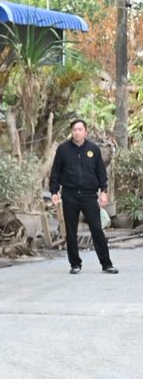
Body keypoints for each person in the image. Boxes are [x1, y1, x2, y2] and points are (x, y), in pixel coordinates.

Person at [49, 118, 117, 275]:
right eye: (74, 129)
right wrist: (54, 192)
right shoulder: (63, 149)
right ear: (71, 132)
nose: (77, 132)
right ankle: (75, 264)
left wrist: (104, 191)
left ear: (85, 132)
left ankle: (106, 264)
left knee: (96, 229)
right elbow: (56, 172)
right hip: (70, 194)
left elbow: (100, 172)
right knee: (71, 230)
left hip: (89, 195)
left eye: (80, 129)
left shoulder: (93, 149)